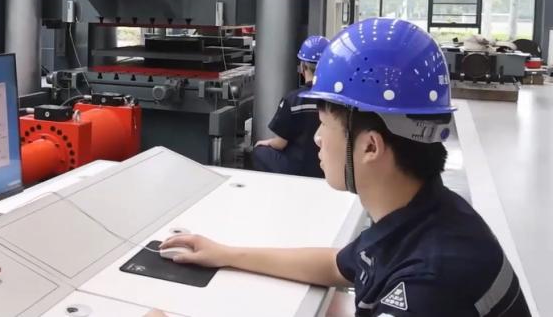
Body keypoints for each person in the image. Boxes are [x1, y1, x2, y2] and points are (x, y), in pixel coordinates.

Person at [154, 18, 531, 317]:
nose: (317, 138)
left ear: (370, 146)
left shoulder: (429, 284)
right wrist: (224, 253)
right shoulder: (421, 216)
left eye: (324, 124)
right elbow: (336, 266)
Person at [252, 35, 330, 178]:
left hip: (296, 168)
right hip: (326, 167)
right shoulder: (335, 100)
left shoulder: (292, 100)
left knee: (259, 152)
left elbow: (280, 144)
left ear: (303, 67)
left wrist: (264, 143)